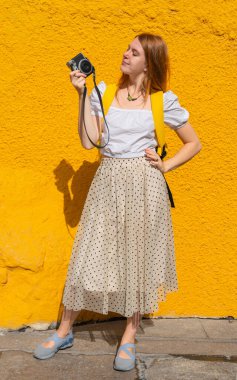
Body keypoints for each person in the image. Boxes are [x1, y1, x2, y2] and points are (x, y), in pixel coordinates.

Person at [33, 33, 202, 370]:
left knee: (136, 260)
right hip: (107, 182)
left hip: (145, 187)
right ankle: (65, 329)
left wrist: (165, 164)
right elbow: (89, 141)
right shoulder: (103, 93)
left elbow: (193, 143)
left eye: (134, 51)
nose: (125, 54)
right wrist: (80, 95)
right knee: (87, 254)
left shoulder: (162, 101)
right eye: (126, 47)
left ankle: (129, 334)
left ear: (148, 62)